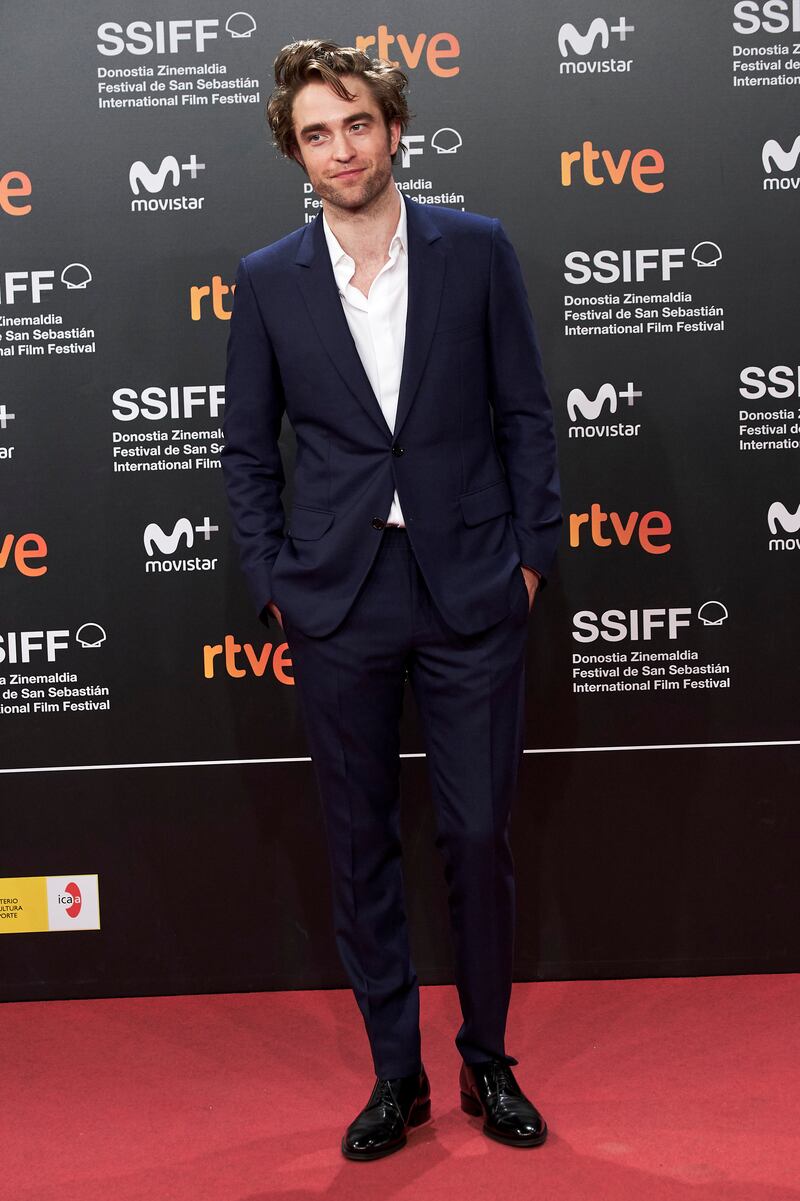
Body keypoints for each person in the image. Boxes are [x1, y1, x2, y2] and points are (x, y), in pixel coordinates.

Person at [221, 38, 563, 1161]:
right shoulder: (269, 278)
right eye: (316, 133)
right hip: (336, 601)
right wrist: (274, 581)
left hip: (469, 585)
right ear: (296, 152)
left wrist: (528, 557)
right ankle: (394, 1075)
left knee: (473, 832)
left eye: (355, 122)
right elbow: (246, 454)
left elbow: (524, 412)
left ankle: (485, 1062)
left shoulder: (474, 250)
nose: (340, 148)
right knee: (359, 840)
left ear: (393, 127)